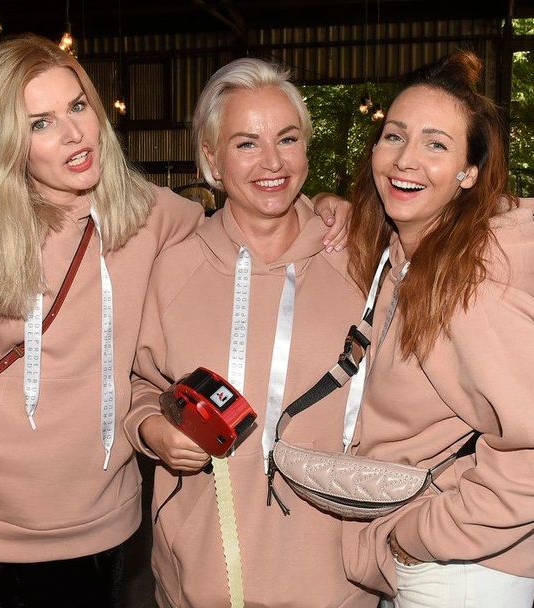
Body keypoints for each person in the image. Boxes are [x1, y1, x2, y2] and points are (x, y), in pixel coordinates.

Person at [0, 35, 350, 608]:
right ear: (1, 141)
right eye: (40, 123)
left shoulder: (149, 216)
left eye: (78, 106)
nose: (74, 134)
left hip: (96, 533)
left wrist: (326, 208)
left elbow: (250, 215)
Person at [125, 58, 378, 608]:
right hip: (200, 577)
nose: (272, 162)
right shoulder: (172, 270)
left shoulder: (360, 261)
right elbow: (142, 383)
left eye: (287, 138)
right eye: (246, 143)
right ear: (211, 159)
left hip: (335, 582)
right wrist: (151, 428)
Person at [339, 51, 534, 607]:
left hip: (461, 572)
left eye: (436, 144)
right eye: (394, 136)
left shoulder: (473, 287)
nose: (405, 160)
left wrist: (418, 536)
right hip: (430, 556)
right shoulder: (405, 259)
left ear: (468, 173)